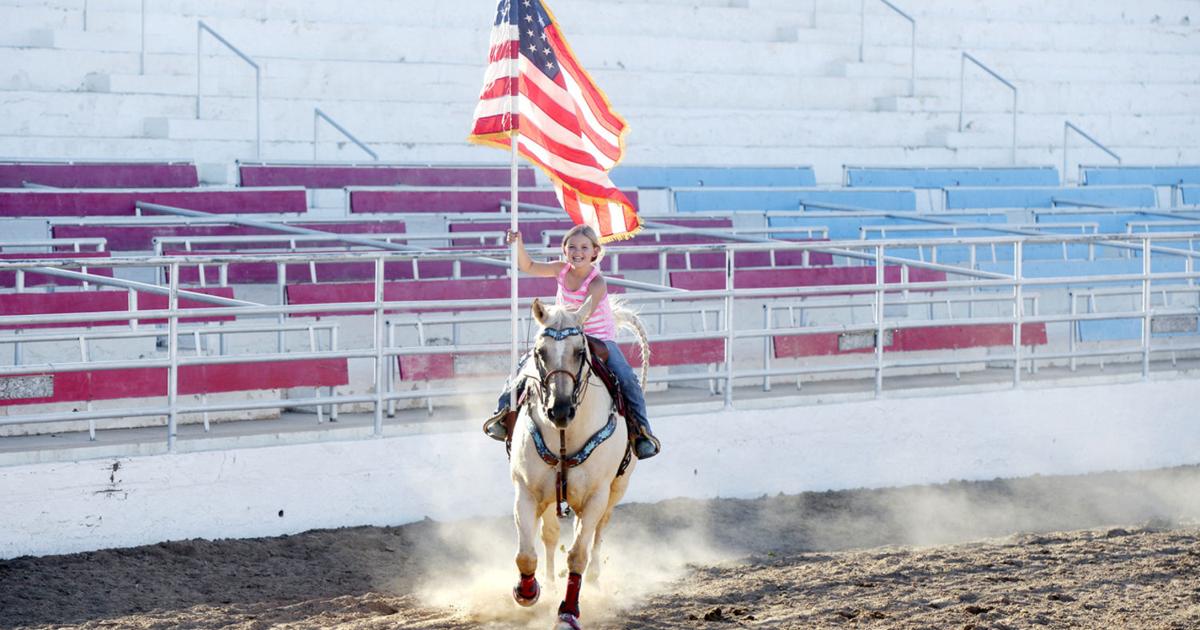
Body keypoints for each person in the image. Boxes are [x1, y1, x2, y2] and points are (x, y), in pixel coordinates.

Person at [483, 225, 660, 460]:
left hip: (598, 338)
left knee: (626, 377)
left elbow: (582, 314)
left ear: (595, 252)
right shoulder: (561, 269)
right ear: (564, 250)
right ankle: (503, 413)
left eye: (584, 247)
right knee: (525, 365)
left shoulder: (597, 282)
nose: (578, 252)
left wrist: (553, 319)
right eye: (572, 247)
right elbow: (528, 266)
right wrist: (518, 245)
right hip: (562, 334)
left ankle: (641, 431)